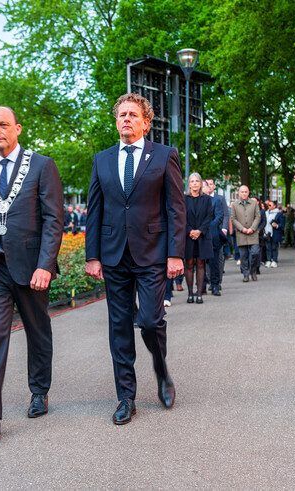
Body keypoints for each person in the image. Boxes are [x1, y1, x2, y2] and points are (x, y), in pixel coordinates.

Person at [85, 93, 186, 425]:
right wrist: (93, 255)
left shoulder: (164, 156)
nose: (125, 119)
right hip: (115, 256)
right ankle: (125, 396)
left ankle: (161, 372)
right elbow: (95, 211)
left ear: (146, 121)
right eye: (121, 115)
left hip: (153, 253)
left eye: (132, 114)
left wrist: (175, 253)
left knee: (151, 321)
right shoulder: (102, 159)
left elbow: (175, 207)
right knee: (119, 327)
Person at [0, 106, 64, 440]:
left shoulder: (41, 166)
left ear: (18, 128)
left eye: (3, 125)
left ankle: (39, 390)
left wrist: (45, 265)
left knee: (38, 332)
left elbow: (54, 219)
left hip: (30, 268)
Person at [183, 173, 214, 304]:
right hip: (188, 236)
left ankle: (199, 294)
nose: (195, 183)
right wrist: (190, 230)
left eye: (197, 181)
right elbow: (181, 217)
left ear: (201, 184)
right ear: (189, 184)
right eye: (192, 181)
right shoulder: (183, 199)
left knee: (201, 264)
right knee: (189, 264)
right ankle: (190, 294)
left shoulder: (206, 199)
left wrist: (200, 231)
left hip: (203, 236)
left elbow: (209, 216)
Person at [203, 178, 228, 296]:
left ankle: (215, 285)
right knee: (202, 262)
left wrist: (208, 227)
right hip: (200, 235)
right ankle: (202, 285)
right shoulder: (195, 201)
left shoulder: (217, 200)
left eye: (206, 186)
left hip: (213, 235)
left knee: (215, 261)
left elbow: (220, 216)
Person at [231, 186, 261, 282]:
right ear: (239, 193)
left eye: (246, 192)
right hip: (241, 234)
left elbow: (258, 217)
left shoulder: (254, 203)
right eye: (242, 192)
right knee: (243, 256)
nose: (244, 193)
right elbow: (233, 219)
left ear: (248, 193)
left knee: (255, 253)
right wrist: (242, 228)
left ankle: (253, 270)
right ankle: (245, 274)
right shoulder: (234, 204)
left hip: (253, 233)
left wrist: (252, 228)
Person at [263, 200, 285, 267]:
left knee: (274, 247)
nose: (268, 206)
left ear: (274, 206)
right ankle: (269, 260)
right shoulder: (265, 213)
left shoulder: (279, 214)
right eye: (268, 205)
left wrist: (277, 225)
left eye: (270, 205)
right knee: (268, 247)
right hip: (267, 233)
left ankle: (274, 260)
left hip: (275, 233)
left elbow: (282, 224)